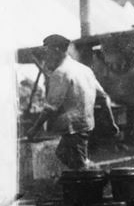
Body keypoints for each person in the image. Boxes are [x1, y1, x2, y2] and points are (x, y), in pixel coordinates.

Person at [27, 34, 119, 169]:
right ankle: (88, 177)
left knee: (79, 166)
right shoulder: (84, 69)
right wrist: (111, 123)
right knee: (62, 153)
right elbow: (104, 97)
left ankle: (94, 182)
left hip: (73, 127)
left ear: (57, 50)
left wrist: (34, 129)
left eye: (48, 52)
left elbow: (50, 108)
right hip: (86, 124)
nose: (47, 56)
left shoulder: (60, 73)